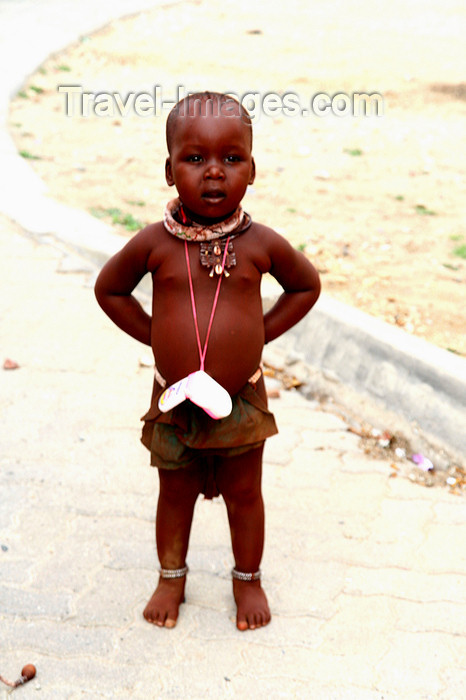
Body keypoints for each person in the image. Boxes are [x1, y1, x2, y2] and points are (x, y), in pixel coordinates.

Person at [94, 91, 320, 631]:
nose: (214, 173)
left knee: (245, 494)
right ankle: (171, 576)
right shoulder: (155, 244)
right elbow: (110, 290)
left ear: (253, 169)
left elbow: (306, 285)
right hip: (174, 401)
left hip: (240, 399)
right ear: (169, 171)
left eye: (231, 159)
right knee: (175, 492)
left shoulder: (260, 243)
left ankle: (249, 579)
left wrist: (258, 336)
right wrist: (154, 337)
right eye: (194, 159)